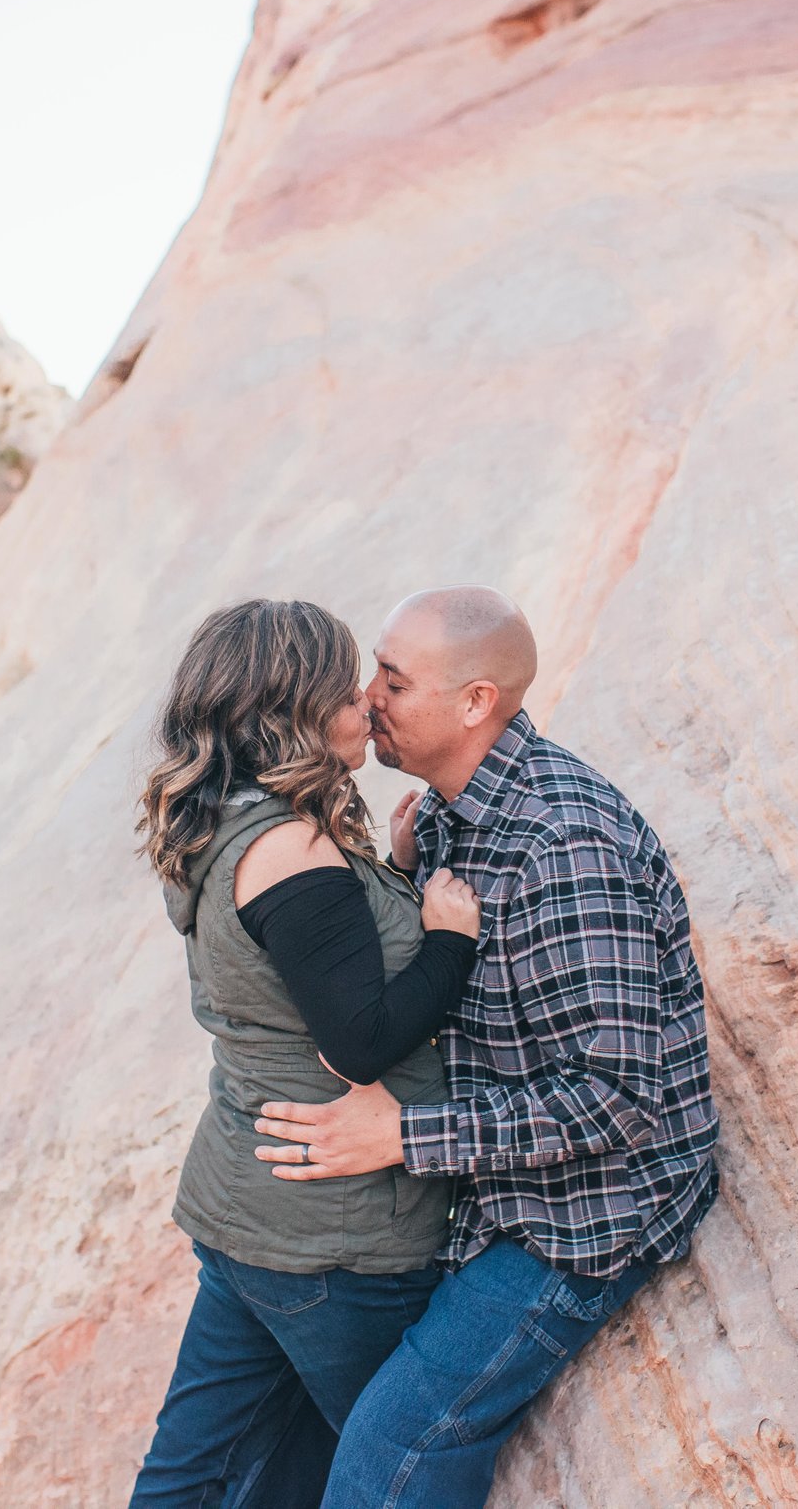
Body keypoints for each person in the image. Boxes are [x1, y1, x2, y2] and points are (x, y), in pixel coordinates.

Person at [250, 586, 720, 1508]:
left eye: (392, 679)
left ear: (475, 703)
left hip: (583, 1212)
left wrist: (403, 1135)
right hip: (490, 1178)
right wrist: (398, 872)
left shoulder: (565, 844)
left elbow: (616, 1096)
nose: (365, 697)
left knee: (397, 1439)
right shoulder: (449, 816)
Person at [129, 599, 486, 1508]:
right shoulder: (293, 851)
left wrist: (391, 881)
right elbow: (358, 1039)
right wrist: (446, 938)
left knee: (202, 1474)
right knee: (394, 1467)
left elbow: (308, 974)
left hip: (254, 1212)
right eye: (346, 687)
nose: (368, 702)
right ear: (293, 711)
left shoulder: (235, 819)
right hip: (336, 1240)